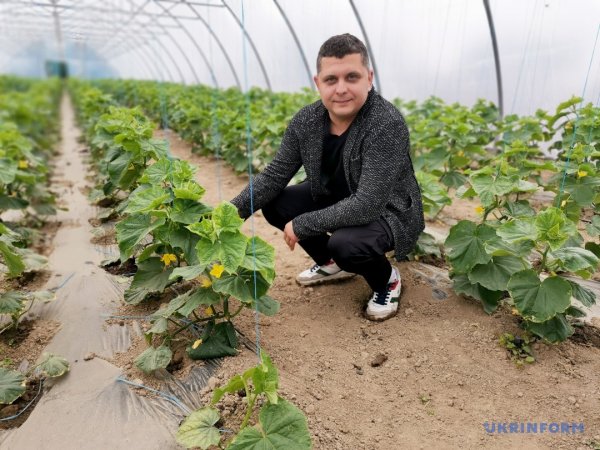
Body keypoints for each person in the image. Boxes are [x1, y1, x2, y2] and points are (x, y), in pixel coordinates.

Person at [231, 33, 424, 321]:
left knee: (346, 244)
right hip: (338, 196)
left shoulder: (386, 124)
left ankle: (387, 280)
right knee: (274, 203)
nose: (341, 89)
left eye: (352, 77)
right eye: (331, 79)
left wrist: (305, 223)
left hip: (388, 210)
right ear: (318, 83)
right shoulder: (306, 121)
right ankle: (331, 263)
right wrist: (226, 217)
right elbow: (273, 176)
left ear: (369, 78)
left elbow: (368, 204)